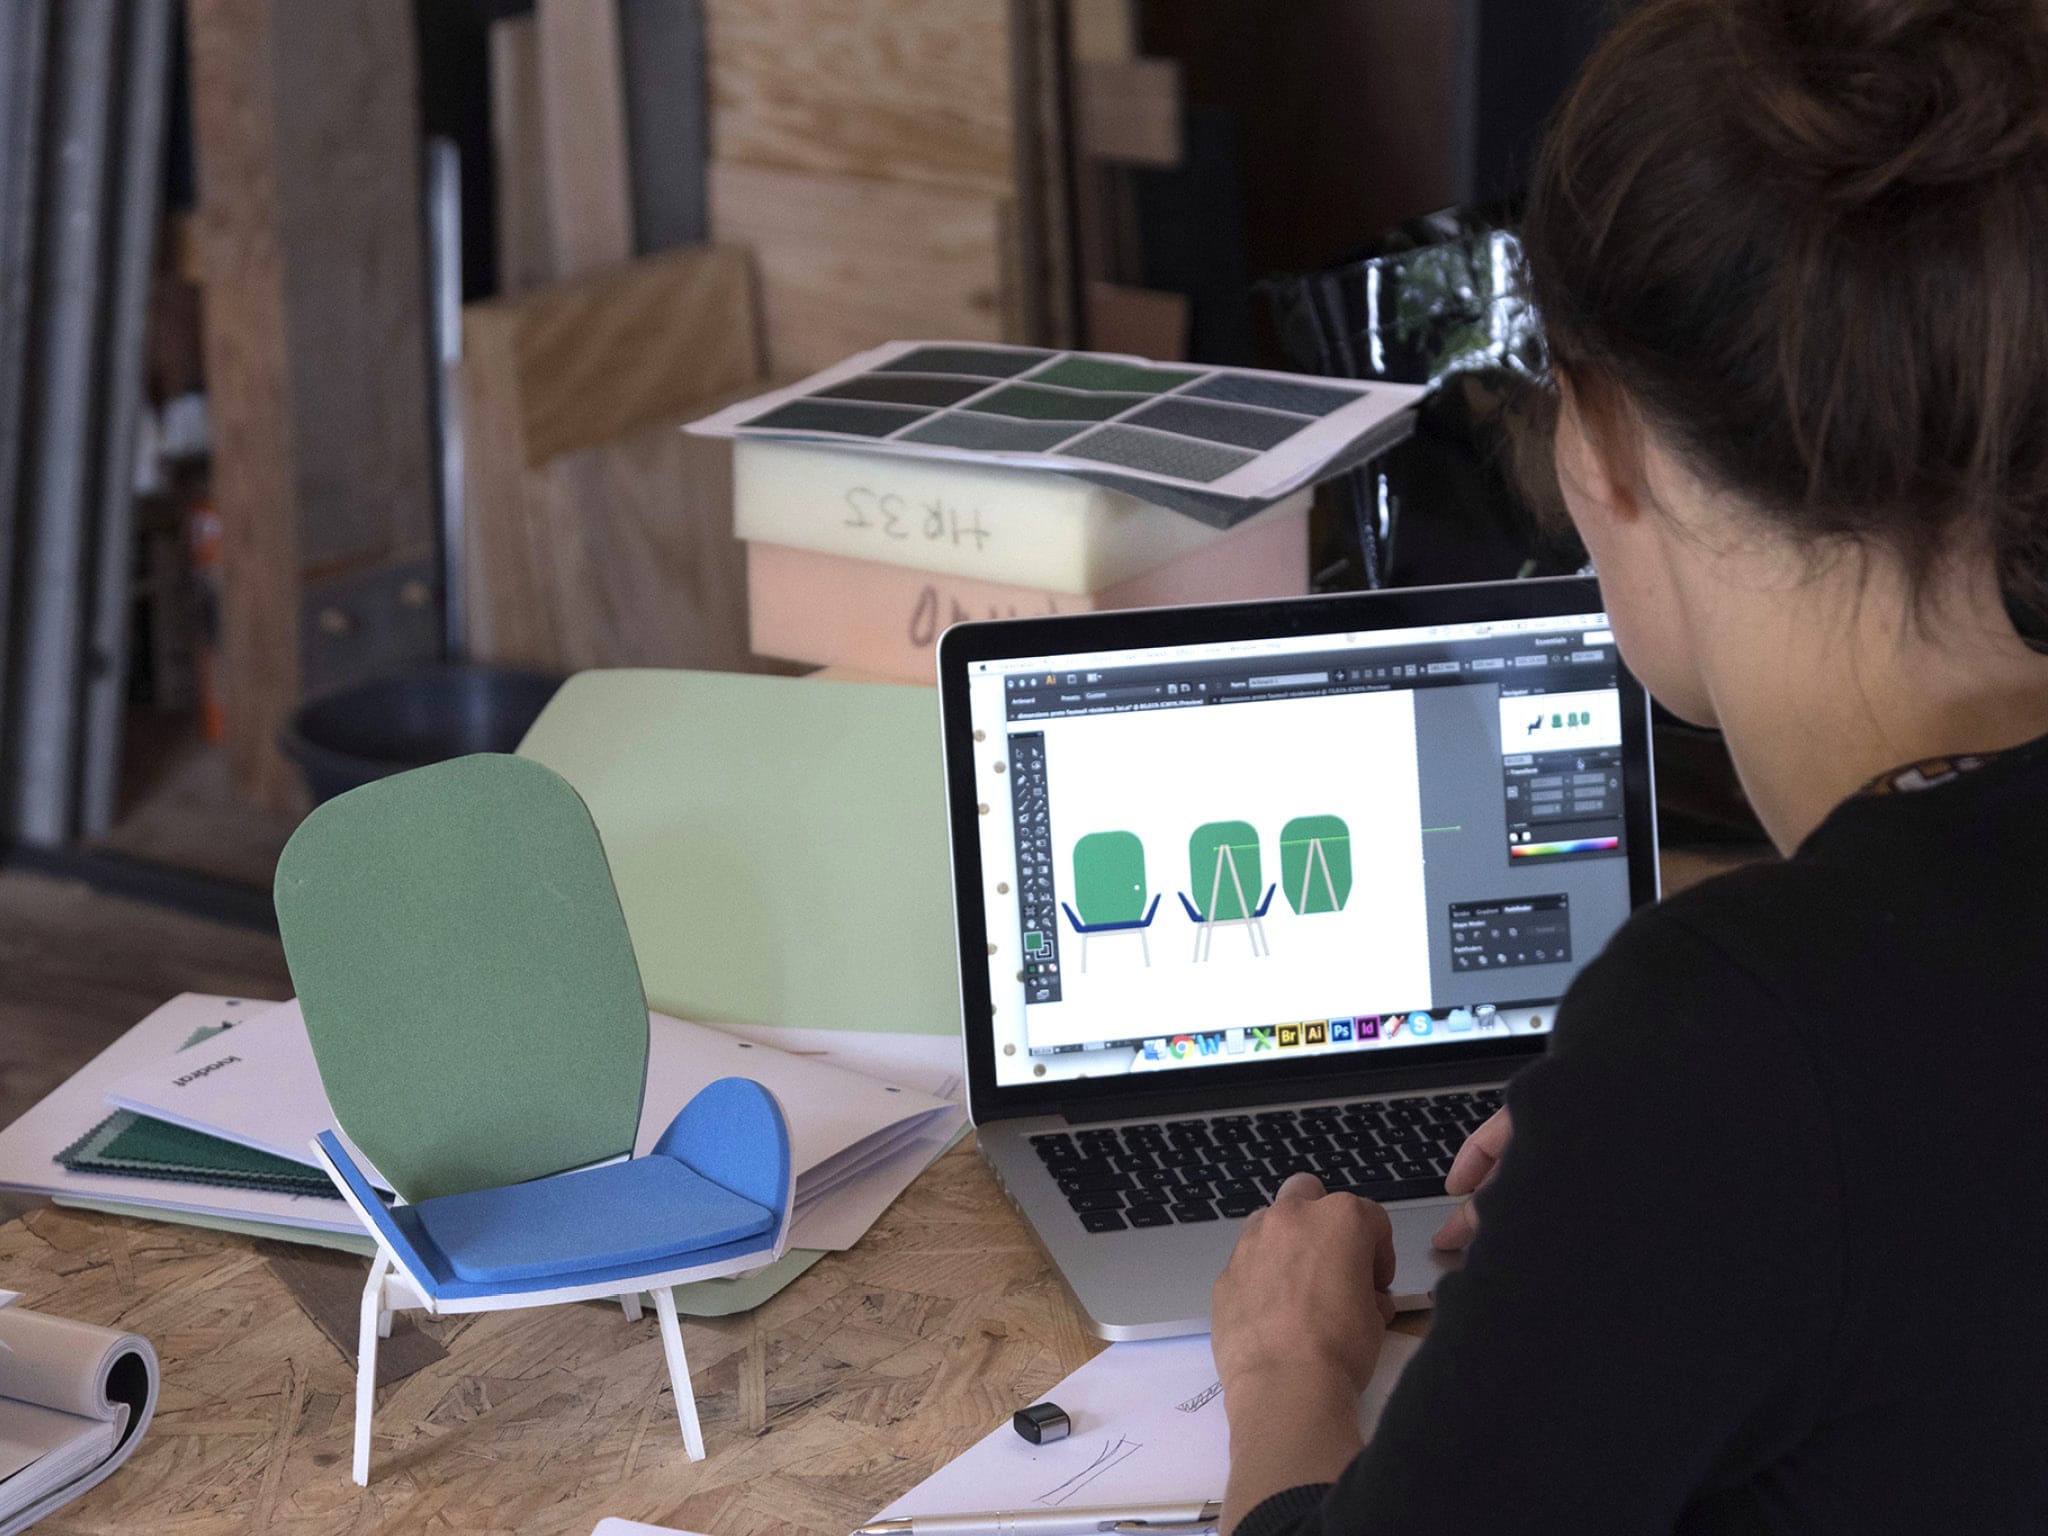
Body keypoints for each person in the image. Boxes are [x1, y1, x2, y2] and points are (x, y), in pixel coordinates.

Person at [1211, 0, 2048, 1530]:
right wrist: (1635, 1181)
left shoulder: (1738, 1033)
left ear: (1600, 440)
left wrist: (1287, 1370)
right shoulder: (1743, 1065)